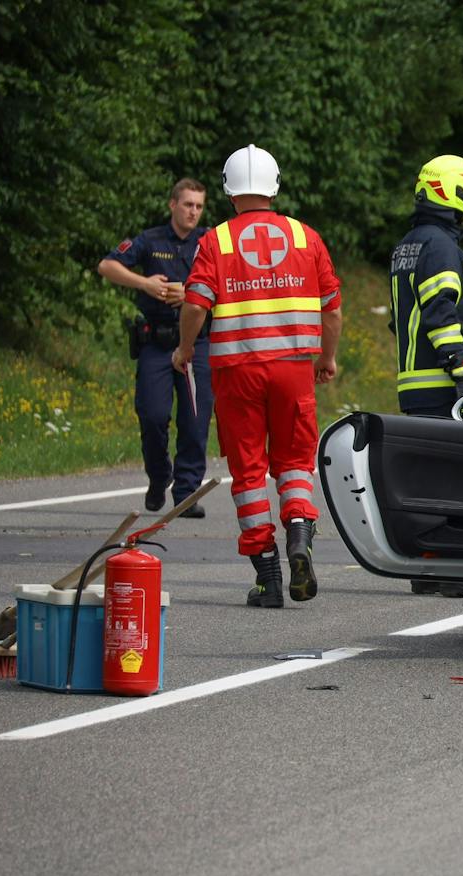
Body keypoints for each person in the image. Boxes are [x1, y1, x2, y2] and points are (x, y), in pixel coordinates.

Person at [173, 144, 341, 608]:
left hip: (237, 373)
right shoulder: (306, 237)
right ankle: (300, 535)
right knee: (295, 462)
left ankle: (268, 579)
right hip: (293, 371)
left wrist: (186, 349)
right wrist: (327, 359)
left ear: (228, 190)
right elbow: (332, 309)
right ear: (275, 185)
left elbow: (194, 304)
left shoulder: (217, 240)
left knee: (248, 471)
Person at [96, 178, 213, 518]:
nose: (193, 211)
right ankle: (159, 474)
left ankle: (187, 492)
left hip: (196, 343)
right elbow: (107, 265)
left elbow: (227, 281)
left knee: (194, 420)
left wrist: (189, 291)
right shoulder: (150, 239)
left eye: (199, 206)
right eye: (188, 204)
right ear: (172, 205)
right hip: (157, 343)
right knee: (152, 415)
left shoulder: (209, 242)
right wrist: (144, 283)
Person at [390, 154, 463, 418]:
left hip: (416, 389)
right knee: (461, 459)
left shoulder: (406, 245)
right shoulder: (441, 247)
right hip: (448, 388)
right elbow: (439, 310)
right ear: (458, 199)